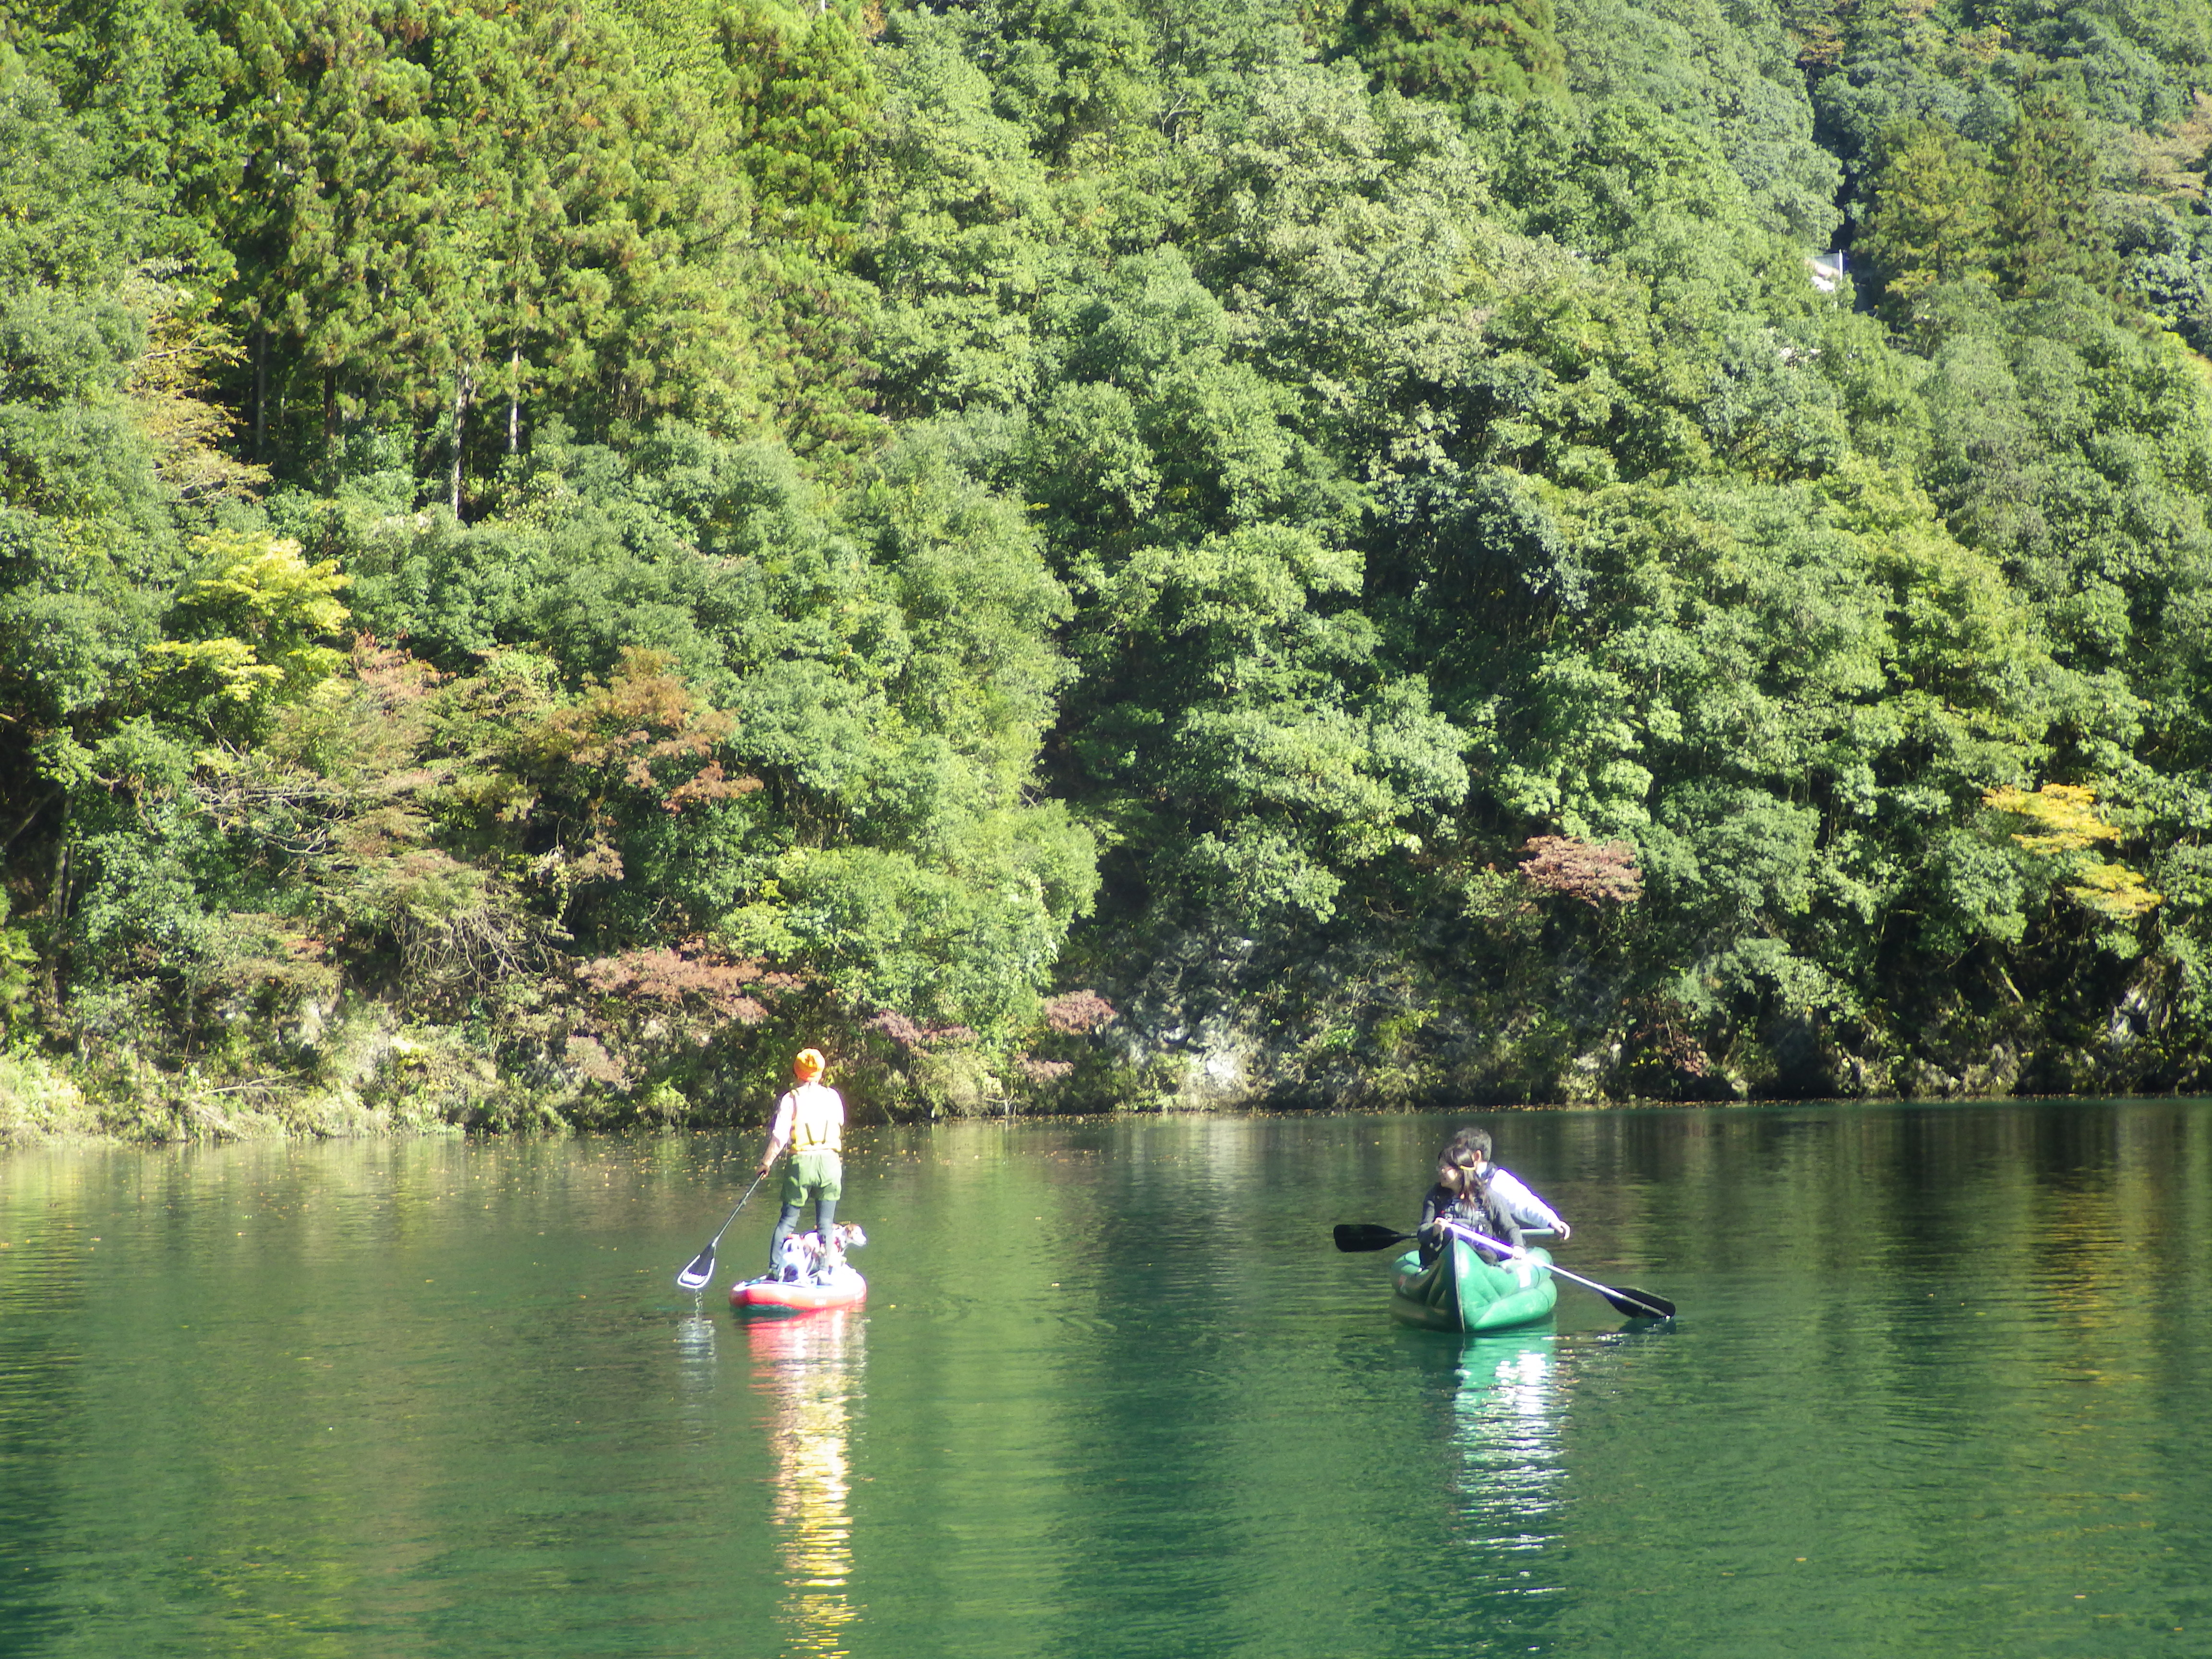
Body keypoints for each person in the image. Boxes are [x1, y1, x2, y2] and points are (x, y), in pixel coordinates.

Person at [758, 1048, 845, 1276]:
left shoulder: (791, 1099)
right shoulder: (833, 1096)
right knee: (826, 1223)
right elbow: (840, 1123)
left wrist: (766, 1163)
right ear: (821, 1071)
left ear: (797, 1072)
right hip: (830, 1163)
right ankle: (827, 1270)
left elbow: (780, 1137)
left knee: (788, 1220)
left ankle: (774, 1270)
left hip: (802, 1164)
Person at [1445, 1125, 1570, 1242]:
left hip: (1494, 1246)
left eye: (1459, 1152)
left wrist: (1551, 1221)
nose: (1453, 1156)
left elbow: (1526, 1205)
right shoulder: (1451, 1180)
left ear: (1477, 1156)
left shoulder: (1499, 1181)